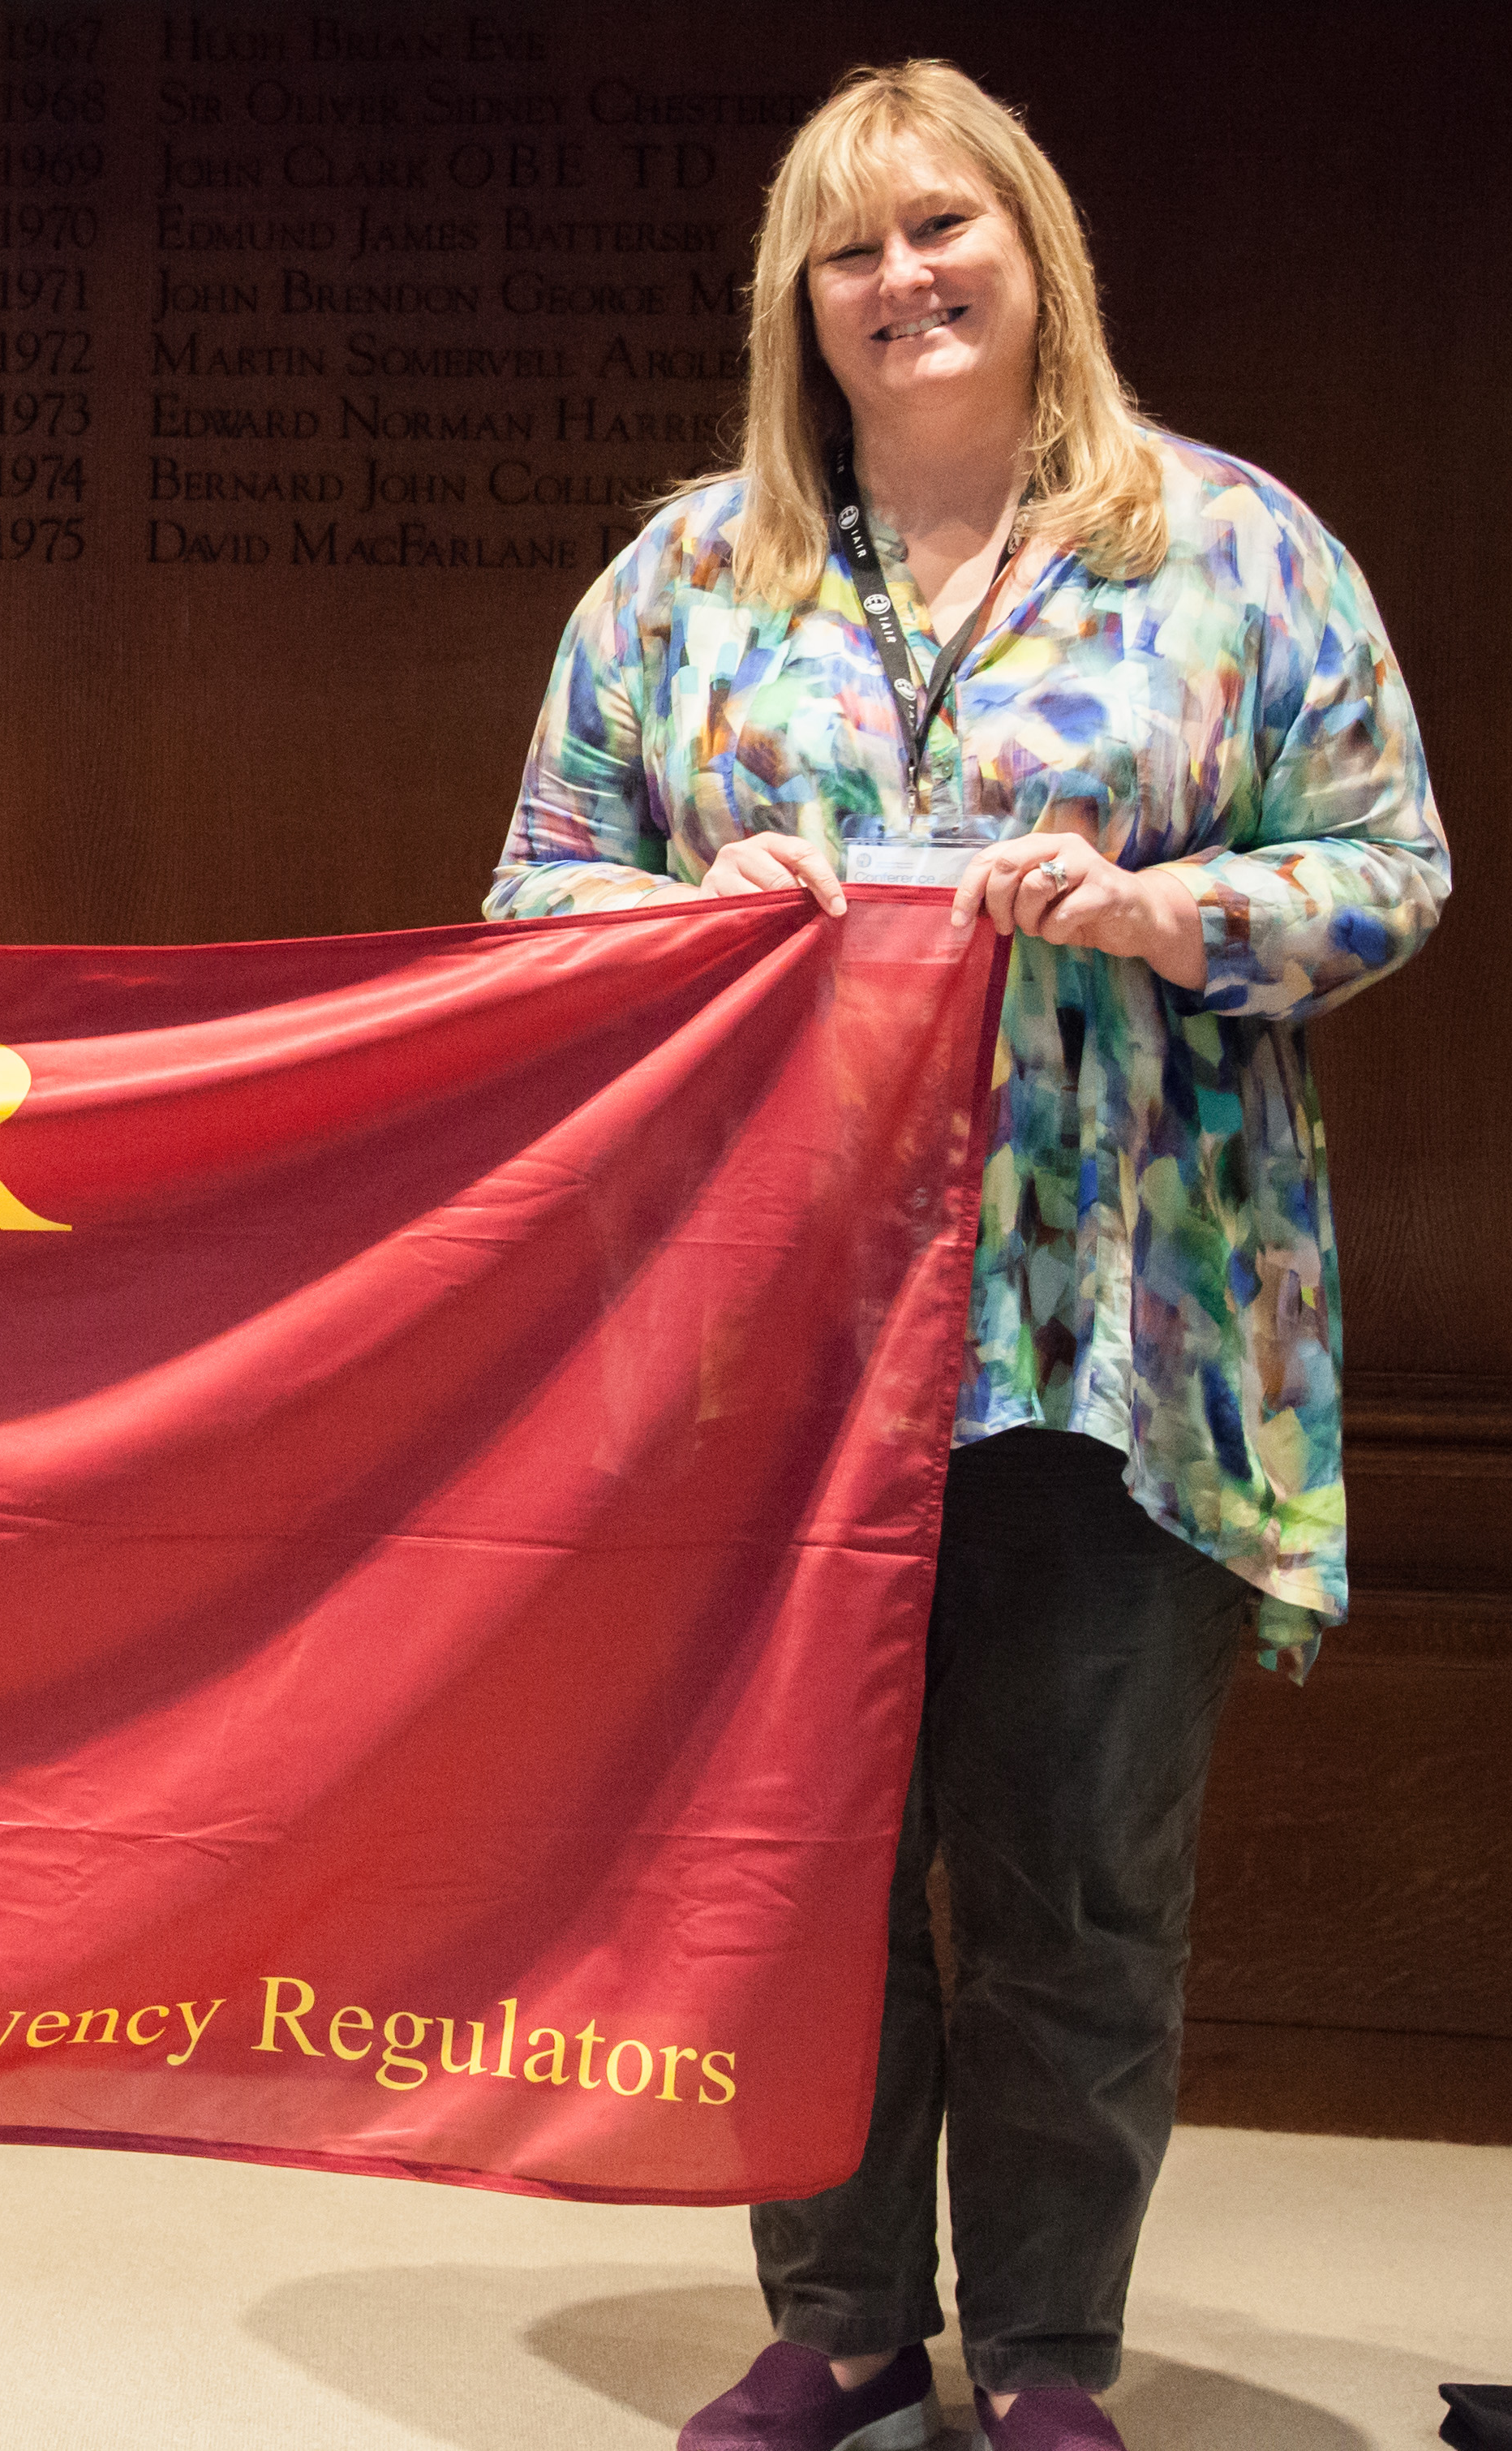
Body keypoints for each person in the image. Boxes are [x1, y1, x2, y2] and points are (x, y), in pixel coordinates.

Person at [488, 58, 1446, 2451]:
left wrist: (1158, 908)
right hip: (784, 1341)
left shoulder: (1229, 552)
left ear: (1038, 257)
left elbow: (1387, 866)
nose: (903, 279)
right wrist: (674, 905)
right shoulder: (687, 579)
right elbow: (529, 888)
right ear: (795, 308)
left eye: (946, 231)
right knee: (804, 1864)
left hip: (1125, 1343)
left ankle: (1043, 2357)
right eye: (851, 248)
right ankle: (835, 2323)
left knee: (1075, 1882)